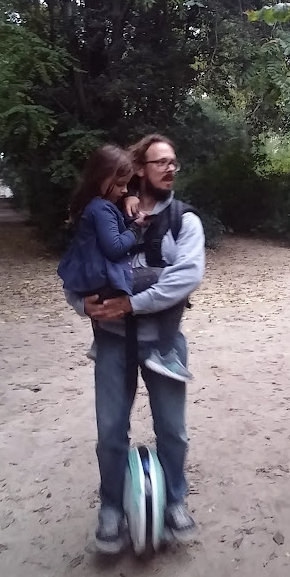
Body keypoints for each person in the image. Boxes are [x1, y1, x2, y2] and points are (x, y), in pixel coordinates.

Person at [63, 134, 205, 554]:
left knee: (174, 432)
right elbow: (79, 267)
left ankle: (176, 501)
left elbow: (186, 277)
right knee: (109, 432)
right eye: (160, 162)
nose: (170, 168)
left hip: (163, 343)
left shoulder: (184, 220)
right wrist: (81, 304)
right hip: (110, 343)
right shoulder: (104, 213)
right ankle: (110, 508)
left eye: (174, 162)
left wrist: (130, 304)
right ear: (139, 169)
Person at [57, 144, 193, 382]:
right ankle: (164, 353)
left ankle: (101, 343)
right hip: (104, 280)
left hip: (92, 280)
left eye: (126, 185)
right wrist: (135, 227)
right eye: (119, 185)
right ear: (101, 178)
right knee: (168, 279)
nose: (122, 191)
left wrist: (130, 194)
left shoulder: (93, 205)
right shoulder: (102, 208)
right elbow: (115, 248)